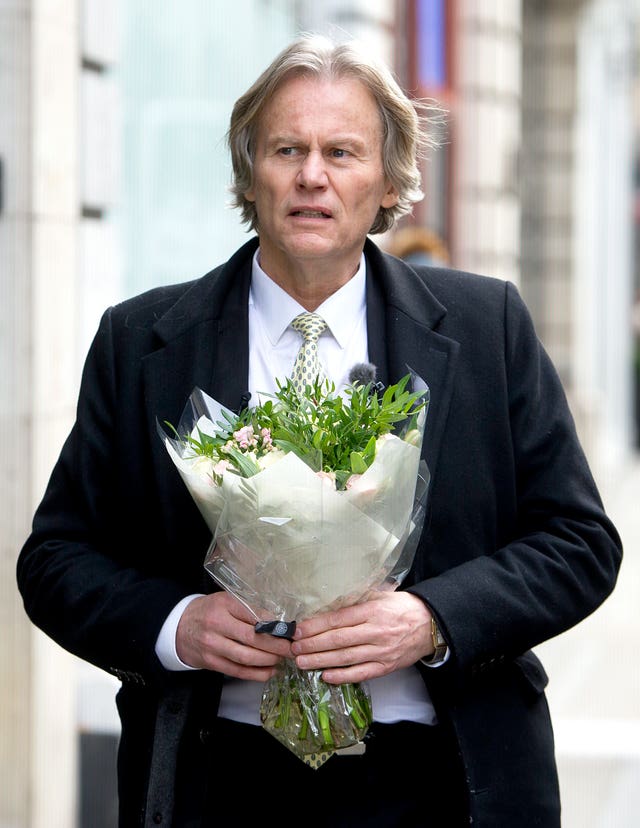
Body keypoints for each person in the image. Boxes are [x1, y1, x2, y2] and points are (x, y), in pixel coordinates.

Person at [17, 33, 622, 828]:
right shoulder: (143, 342)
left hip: (440, 780)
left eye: (341, 151)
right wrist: (177, 627)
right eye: (286, 149)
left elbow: (580, 542)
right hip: (216, 780)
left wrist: (432, 620)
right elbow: (56, 560)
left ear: (386, 179)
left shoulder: (488, 327)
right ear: (250, 171)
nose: (312, 176)